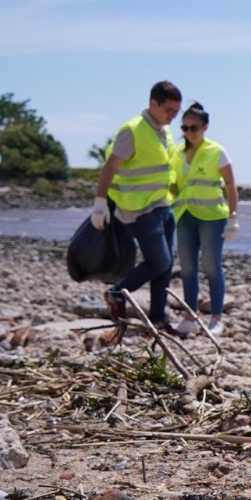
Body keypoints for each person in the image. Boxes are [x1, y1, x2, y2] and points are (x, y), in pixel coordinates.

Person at [94, 81, 182, 336]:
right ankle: (117, 293)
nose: (172, 117)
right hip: (138, 209)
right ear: (153, 103)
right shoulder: (132, 130)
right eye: (169, 110)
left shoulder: (162, 130)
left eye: (176, 112)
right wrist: (100, 203)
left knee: (165, 267)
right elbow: (110, 166)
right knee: (159, 261)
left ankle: (157, 319)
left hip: (162, 206)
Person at [170, 101, 238, 338]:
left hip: (212, 218)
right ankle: (190, 316)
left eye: (194, 128)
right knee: (187, 269)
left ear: (205, 127)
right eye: (185, 128)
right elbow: (173, 185)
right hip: (184, 216)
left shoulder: (217, 151)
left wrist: (233, 217)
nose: (189, 133)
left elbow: (230, 185)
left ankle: (216, 318)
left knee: (211, 267)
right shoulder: (177, 153)